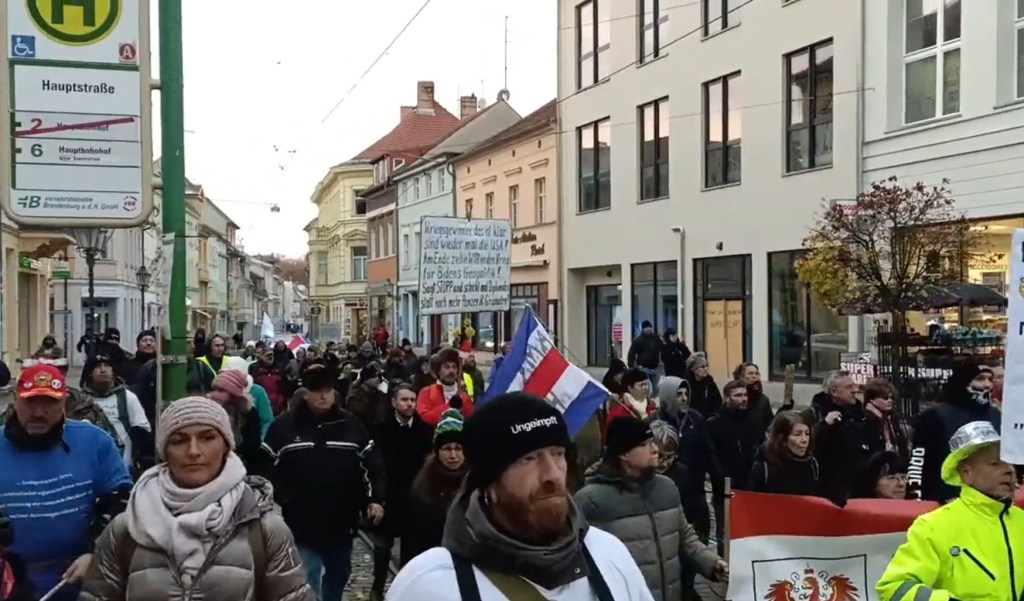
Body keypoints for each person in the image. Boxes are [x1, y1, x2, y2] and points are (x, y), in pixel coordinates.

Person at [387, 392, 657, 601]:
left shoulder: (607, 554)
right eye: (529, 458)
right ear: (489, 481)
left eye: (558, 454)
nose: (552, 474)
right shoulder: (430, 584)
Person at [77, 397, 313, 601]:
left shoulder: (263, 529)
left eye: (207, 438)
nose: (193, 451)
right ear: (165, 450)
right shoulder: (127, 529)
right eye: (179, 441)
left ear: (226, 446)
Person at [0, 364, 132, 601]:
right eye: (30, 401)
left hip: (77, 575)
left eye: (49, 403)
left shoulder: (94, 442)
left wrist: (97, 553)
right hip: (9, 579)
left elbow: (122, 501)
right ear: (15, 399)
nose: (39, 412)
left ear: (64, 402)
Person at [256, 362, 386, 601]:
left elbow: (372, 464)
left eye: (328, 390)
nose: (324, 397)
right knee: (308, 574)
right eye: (318, 391)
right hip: (301, 520)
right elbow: (264, 468)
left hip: (342, 519)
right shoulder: (284, 427)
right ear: (306, 393)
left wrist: (374, 499)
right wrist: (281, 499)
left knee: (339, 573)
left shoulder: (351, 425)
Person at [576, 417, 727, 601]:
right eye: (644, 445)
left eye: (653, 442)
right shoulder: (591, 500)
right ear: (623, 454)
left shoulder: (666, 488)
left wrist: (712, 563)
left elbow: (686, 539)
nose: (655, 449)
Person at [877, 421, 1022, 601]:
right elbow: (894, 587)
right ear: (966, 473)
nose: (1009, 470)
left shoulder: (1021, 521)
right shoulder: (933, 527)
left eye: (1010, 463)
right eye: (995, 463)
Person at [908, 363, 1000, 502]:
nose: (987, 385)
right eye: (980, 379)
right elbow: (918, 460)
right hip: (947, 499)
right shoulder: (935, 415)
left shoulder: (996, 415)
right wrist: (916, 496)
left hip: (990, 498)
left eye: (990, 379)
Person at [401, 409, 468, 565]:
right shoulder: (424, 484)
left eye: (458, 448)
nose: (453, 455)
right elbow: (413, 536)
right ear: (437, 451)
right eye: (447, 449)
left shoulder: (476, 481)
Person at [416, 348, 473, 427]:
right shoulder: (427, 392)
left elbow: (471, 422)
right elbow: (423, 418)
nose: (451, 371)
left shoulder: (464, 397)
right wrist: (450, 407)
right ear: (438, 371)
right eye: (447, 367)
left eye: (454, 367)